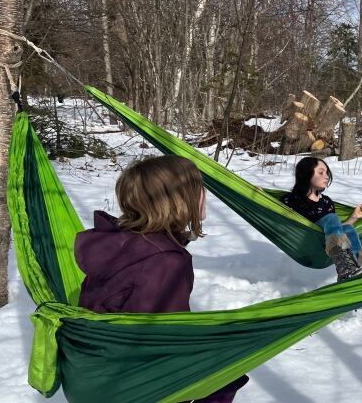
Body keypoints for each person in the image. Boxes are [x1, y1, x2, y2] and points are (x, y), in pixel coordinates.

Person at [74, 155, 248, 403]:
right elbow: (161, 339)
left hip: (92, 368)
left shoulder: (118, 242)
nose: (205, 193)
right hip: (126, 382)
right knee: (229, 361)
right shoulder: (164, 261)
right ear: (176, 199)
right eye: (198, 187)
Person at [281, 157, 362, 281]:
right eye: (321, 172)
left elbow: (336, 229)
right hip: (305, 243)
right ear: (306, 173)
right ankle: (345, 268)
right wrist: (258, 196)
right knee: (331, 218)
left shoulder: (327, 202)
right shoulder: (291, 199)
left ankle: (359, 265)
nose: (326, 176)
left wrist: (353, 217)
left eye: (327, 173)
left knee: (348, 228)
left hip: (326, 246)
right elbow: (272, 214)